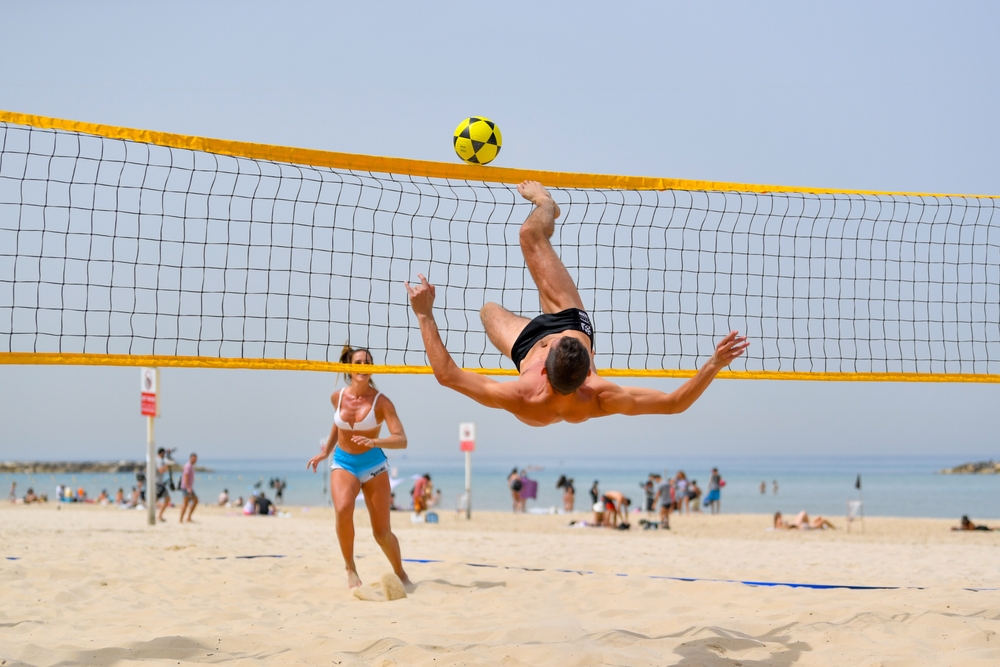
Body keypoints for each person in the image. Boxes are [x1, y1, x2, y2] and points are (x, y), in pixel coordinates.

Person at [404, 181, 750, 427]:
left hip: (525, 349)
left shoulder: (522, 395)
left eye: (554, 344)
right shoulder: (601, 395)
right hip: (567, 317)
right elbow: (674, 404)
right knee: (529, 235)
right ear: (589, 369)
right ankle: (547, 206)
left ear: (542, 368)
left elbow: (447, 375)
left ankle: (544, 237)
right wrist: (714, 364)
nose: (554, 340)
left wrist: (424, 315)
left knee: (488, 311)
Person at [307, 344, 411, 590]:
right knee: (343, 509)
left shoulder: (382, 402)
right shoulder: (338, 396)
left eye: (367, 363)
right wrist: (326, 452)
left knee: (382, 533)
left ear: (372, 368)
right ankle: (350, 569)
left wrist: (375, 440)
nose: (363, 367)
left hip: (373, 464)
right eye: (358, 363)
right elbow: (338, 424)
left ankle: (401, 574)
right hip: (344, 462)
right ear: (349, 368)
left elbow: (401, 439)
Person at [178, 452, 198, 523]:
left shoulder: (191, 466)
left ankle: (188, 517)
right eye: (194, 459)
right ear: (190, 458)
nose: (195, 460)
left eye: (196, 459)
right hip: (186, 487)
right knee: (185, 503)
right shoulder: (188, 466)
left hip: (188, 487)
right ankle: (180, 519)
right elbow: (185, 477)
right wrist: (188, 487)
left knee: (195, 501)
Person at [155, 447, 172, 522]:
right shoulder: (159, 460)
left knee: (166, 498)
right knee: (165, 499)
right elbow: (161, 470)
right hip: (158, 483)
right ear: (161, 453)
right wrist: (167, 464)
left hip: (158, 483)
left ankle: (159, 515)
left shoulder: (156, 460)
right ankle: (159, 515)